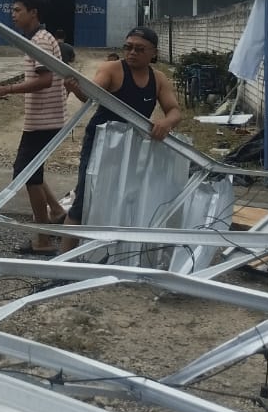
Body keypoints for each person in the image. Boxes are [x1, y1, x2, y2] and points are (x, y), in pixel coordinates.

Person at [60, 26, 181, 252]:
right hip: (100, 143)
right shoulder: (112, 70)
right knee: (85, 197)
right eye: (128, 47)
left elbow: (174, 110)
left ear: (153, 53)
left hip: (134, 146)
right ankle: (63, 260)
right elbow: (92, 93)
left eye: (139, 49)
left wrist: (166, 122)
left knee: (127, 197)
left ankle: (115, 252)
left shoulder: (159, 79)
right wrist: (77, 90)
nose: (132, 52)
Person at [0, 0, 68, 254]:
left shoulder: (41, 41)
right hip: (44, 118)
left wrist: (7, 90)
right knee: (32, 169)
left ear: (33, 13)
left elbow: (44, 81)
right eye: (13, 9)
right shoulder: (39, 39)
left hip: (44, 120)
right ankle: (55, 212)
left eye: (18, 10)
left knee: (26, 172)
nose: (13, 14)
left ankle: (42, 239)